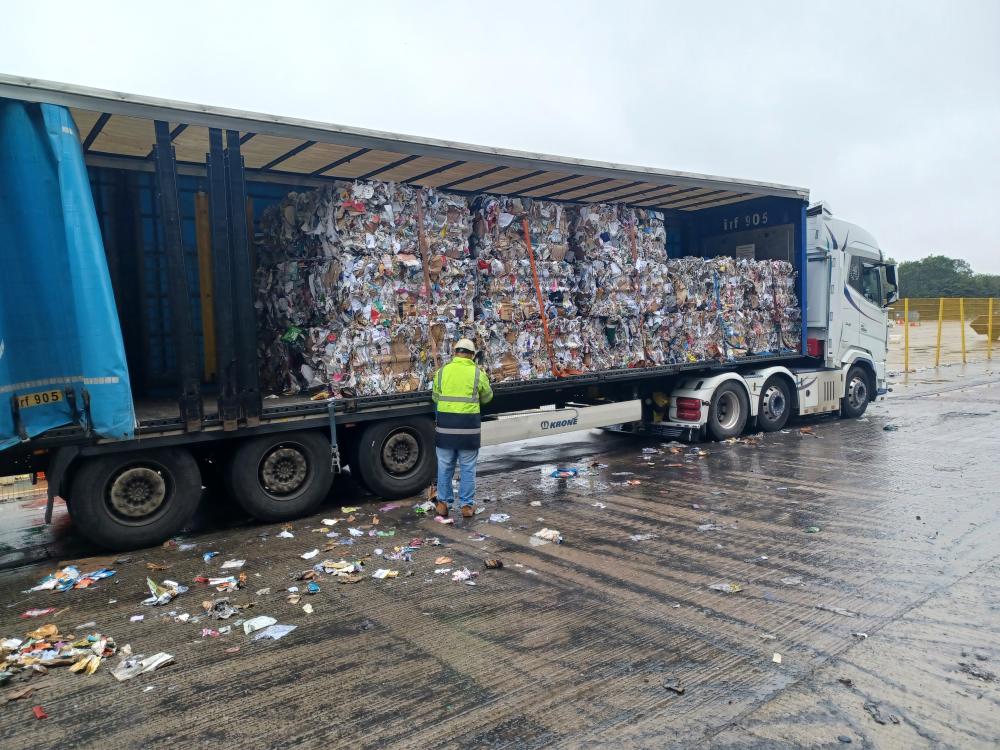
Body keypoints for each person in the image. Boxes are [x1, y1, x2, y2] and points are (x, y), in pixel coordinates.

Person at [431, 338, 493, 518]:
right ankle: (466, 506)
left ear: (455, 353)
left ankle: (443, 504)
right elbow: (487, 397)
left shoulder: (442, 372)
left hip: (445, 428)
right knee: (467, 468)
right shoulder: (477, 373)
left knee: (444, 466)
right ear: (472, 355)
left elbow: (435, 397)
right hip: (468, 429)